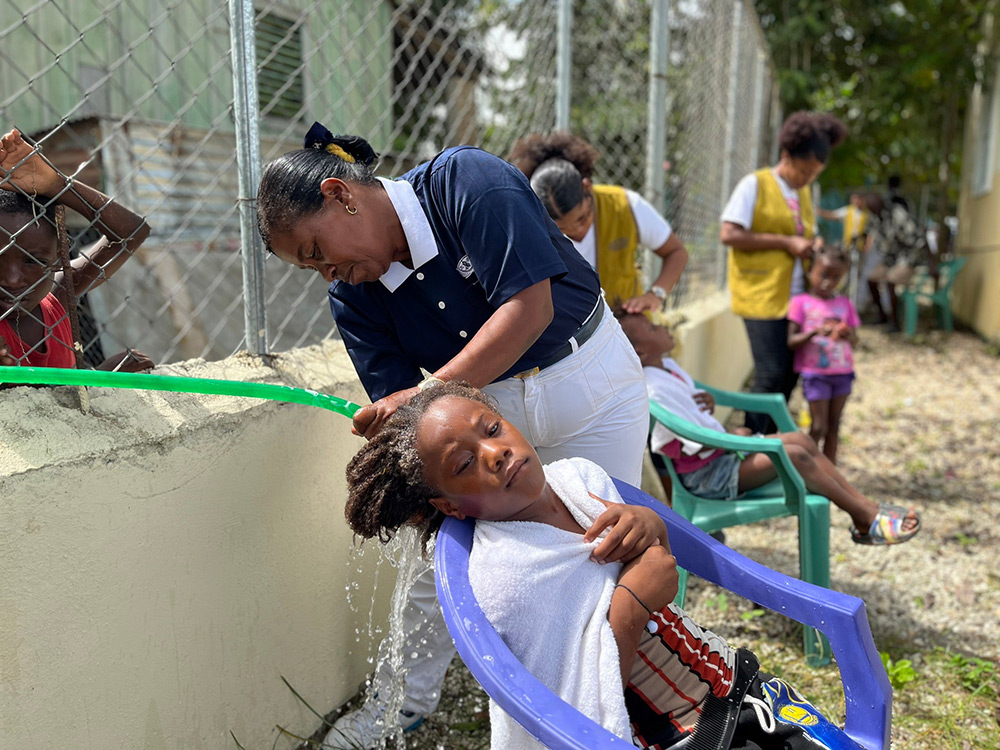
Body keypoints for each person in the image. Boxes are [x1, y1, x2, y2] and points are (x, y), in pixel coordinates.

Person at [256, 123, 649, 749]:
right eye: (311, 268)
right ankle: (398, 707)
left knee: (604, 540)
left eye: (314, 252)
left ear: (341, 195)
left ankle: (628, 701)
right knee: (446, 567)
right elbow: (405, 417)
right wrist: (393, 428)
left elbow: (530, 309)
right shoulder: (354, 298)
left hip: (588, 387)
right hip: (483, 425)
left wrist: (425, 395)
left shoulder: (465, 182)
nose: (325, 272)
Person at [342, 381, 867, 750]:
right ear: (450, 507)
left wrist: (647, 523)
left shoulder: (578, 478)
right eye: (463, 463)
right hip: (671, 734)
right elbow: (575, 706)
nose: (495, 453)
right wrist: (634, 601)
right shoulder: (505, 576)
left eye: (492, 428)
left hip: (736, 685)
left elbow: (652, 557)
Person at [618, 311, 921, 546]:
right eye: (653, 328)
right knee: (795, 456)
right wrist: (729, 439)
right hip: (708, 476)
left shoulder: (667, 368)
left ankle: (866, 506)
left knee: (801, 440)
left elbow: (689, 407)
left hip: (722, 458)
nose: (663, 326)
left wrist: (707, 401)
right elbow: (671, 444)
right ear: (641, 352)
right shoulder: (653, 388)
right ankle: (864, 516)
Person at [720, 112, 847, 434]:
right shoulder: (755, 184)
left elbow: (804, 233)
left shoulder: (801, 193)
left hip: (794, 298)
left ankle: (771, 442)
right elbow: (729, 233)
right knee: (770, 373)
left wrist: (811, 243)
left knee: (790, 372)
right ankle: (750, 447)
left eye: (814, 175)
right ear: (786, 156)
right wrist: (786, 242)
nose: (807, 179)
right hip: (761, 295)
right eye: (803, 170)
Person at [0, 128, 153, 374]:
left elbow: (131, 233)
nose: (12, 279)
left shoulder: (58, 296)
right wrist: (101, 377)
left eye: (33, 261)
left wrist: (57, 185)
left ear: (59, 259)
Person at [508, 132, 688, 313]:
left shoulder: (625, 206)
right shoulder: (532, 229)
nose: (577, 231)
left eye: (582, 218)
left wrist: (655, 294)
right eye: (562, 229)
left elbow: (676, 252)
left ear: (587, 186)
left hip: (628, 328)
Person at [787, 245, 860, 463]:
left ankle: (830, 474)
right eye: (824, 275)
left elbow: (856, 340)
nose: (828, 282)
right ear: (811, 271)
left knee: (834, 427)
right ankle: (807, 466)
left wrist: (847, 334)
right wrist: (815, 332)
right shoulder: (800, 303)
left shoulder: (845, 304)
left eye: (836, 277)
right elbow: (791, 341)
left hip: (842, 373)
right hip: (815, 374)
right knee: (818, 426)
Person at [863, 193, 930, 331]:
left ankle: (895, 323)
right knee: (871, 280)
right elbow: (870, 233)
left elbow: (920, 237)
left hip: (908, 257)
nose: (872, 209)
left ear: (881, 203)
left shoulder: (897, 213)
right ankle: (882, 316)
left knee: (890, 281)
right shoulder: (875, 218)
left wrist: (932, 262)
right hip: (890, 259)